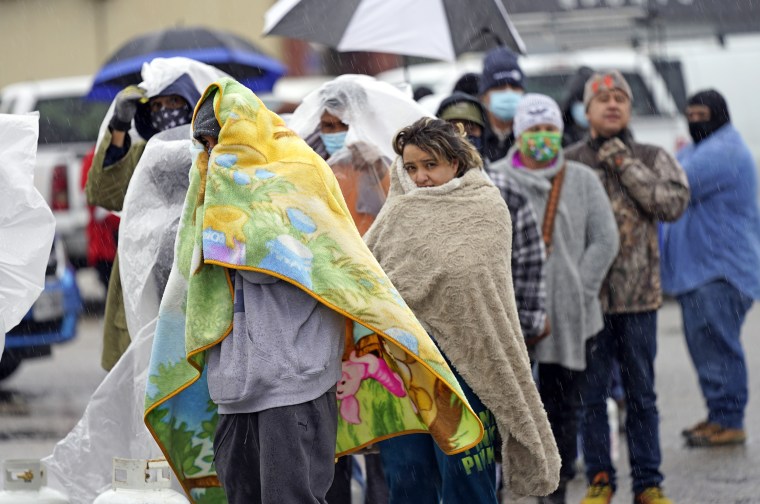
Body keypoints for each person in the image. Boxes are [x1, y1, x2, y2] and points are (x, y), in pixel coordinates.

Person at [144, 78, 488, 504]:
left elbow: (296, 263)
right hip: (235, 383)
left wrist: (229, 227)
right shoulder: (209, 194)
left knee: (293, 497)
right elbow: (193, 273)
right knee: (241, 495)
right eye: (205, 145)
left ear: (246, 134)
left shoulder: (299, 175)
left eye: (220, 142)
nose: (212, 155)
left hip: (294, 376)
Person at [365, 117, 560, 503]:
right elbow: (368, 277)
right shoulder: (395, 214)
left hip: (466, 364)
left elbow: (475, 283)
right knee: (406, 476)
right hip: (402, 365)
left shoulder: (484, 206)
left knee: (466, 475)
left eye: (430, 165)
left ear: (455, 162)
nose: (419, 177)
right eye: (411, 168)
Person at [564, 71, 690, 504]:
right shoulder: (571, 160)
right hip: (588, 303)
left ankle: (648, 483)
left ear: (630, 108)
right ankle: (600, 478)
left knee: (642, 396)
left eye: (620, 98)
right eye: (603, 99)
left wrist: (622, 161)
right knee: (591, 396)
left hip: (639, 300)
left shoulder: (651, 155)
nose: (612, 105)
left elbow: (671, 203)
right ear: (587, 110)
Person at [489, 94, 619, 504]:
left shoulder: (582, 179)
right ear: (519, 133)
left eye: (549, 131)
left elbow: (605, 239)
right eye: (533, 131)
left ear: (560, 134)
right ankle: (516, 484)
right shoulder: (493, 179)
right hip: (513, 314)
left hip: (572, 316)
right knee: (514, 411)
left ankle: (555, 491)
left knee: (564, 410)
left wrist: (579, 289)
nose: (541, 138)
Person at [85, 57, 224, 371]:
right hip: (145, 280)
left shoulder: (213, 153)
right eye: (157, 105)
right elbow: (102, 193)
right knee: (147, 376)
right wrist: (119, 127)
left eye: (175, 101)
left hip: (196, 278)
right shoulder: (140, 155)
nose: (167, 111)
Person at [661, 89, 760, 448]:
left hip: (720, 271)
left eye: (703, 115)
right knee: (707, 346)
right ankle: (719, 414)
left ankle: (730, 419)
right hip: (705, 270)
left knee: (717, 345)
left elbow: (671, 183)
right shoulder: (699, 148)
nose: (695, 121)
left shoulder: (723, 152)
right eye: (691, 114)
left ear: (719, 115)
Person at [436, 92, 548, 346]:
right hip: (443, 334)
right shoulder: (422, 191)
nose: (462, 134)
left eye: (471, 127)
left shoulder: (506, 190)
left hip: (501, 330)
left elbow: (528, 258)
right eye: (451, 127)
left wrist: (524, 325)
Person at [290, 74, 430, 235]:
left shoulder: (388, 160)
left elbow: (402, 208)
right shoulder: (306, 158)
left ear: (361, 123)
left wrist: (378, 168)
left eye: (344, 125)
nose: (337, 132)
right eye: (328, 126)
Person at [479, 46, 525, 163]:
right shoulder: (474, 134)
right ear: (484, 96)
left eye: (514, 87)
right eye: (499, 87)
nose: (508, 92)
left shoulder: (530, 133)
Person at [560, 66, 594, 147]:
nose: (585, 107)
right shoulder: (559, 135)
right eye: (581, 100)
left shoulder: (611, 132)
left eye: (589, 101)